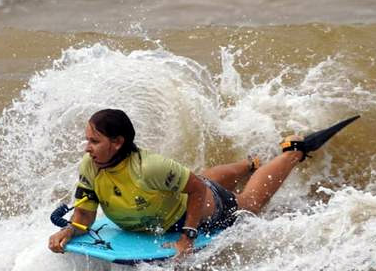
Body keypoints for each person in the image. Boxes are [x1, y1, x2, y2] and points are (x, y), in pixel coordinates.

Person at [48, 108, 357, 258]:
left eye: (94, 140)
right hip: (174, 198)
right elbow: (86, 209)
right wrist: (71, 229)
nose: (87, 147)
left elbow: (194, 189)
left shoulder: (150, 167)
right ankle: (251, 163)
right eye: (87, 139)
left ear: (117, 143)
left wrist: (188, 235)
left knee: (247, 204)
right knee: (204, 179)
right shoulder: (90, 166)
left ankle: (294, 151)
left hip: (199, 210)